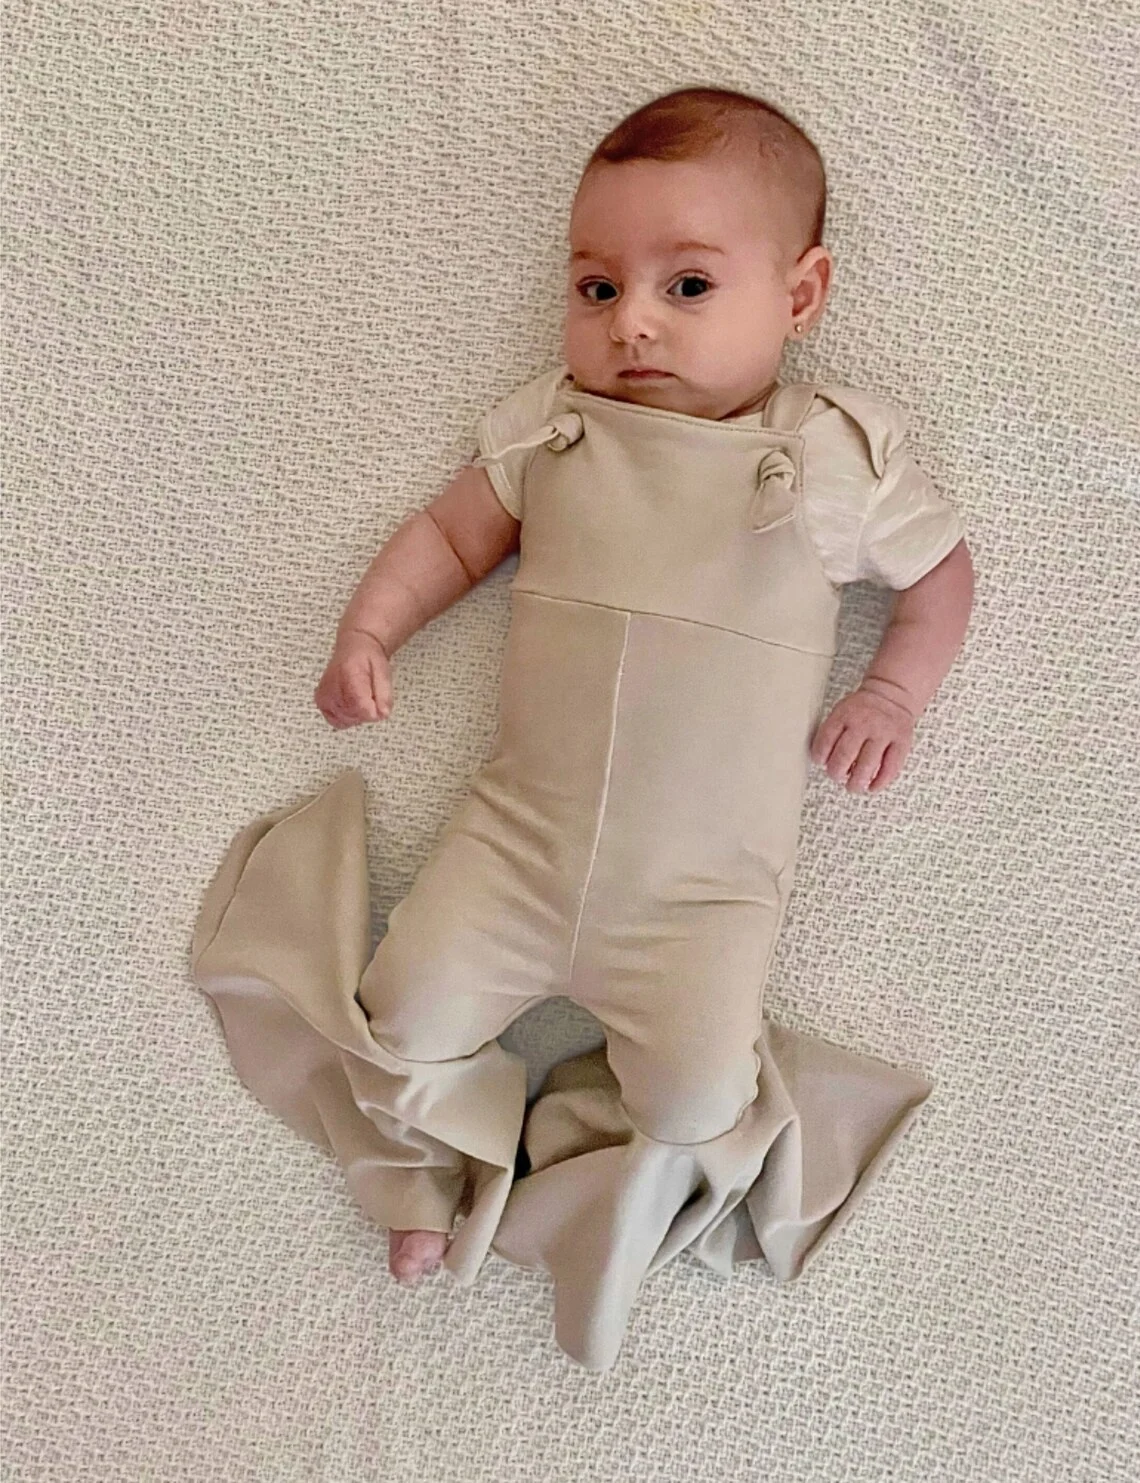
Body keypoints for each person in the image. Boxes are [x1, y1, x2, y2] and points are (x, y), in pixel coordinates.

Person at [191, 86, 975, 1371]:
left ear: (803, 293)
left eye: (688, 285)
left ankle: (567, 1186)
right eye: (597, 287)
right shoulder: (554, 425)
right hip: (517, 848)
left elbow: (941, 578)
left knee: (696, 1098)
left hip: (700, 895)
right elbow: (451, 538)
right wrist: (371, 629)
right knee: (404, 1012)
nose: (633, 323)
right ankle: (424, 1178)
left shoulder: (836, 457)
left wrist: (892, 691)